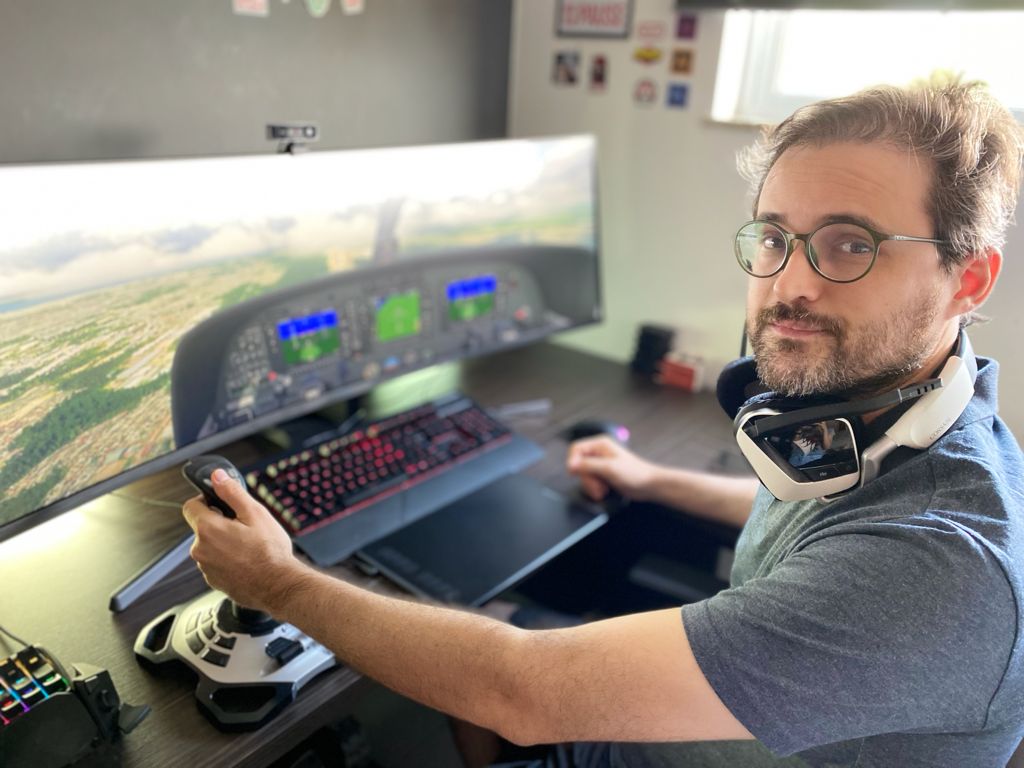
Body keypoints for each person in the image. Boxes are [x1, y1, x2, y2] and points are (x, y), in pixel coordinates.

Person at [183, 74, 1024, 767]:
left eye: (850, 245)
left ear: (969, 280)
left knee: (483, 651)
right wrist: (649, 478)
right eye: (774, 238)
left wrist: (277, 582)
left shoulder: (938, 571)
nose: (789, 284)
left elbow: (521, 691)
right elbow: (827, 530)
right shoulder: (921, 425)